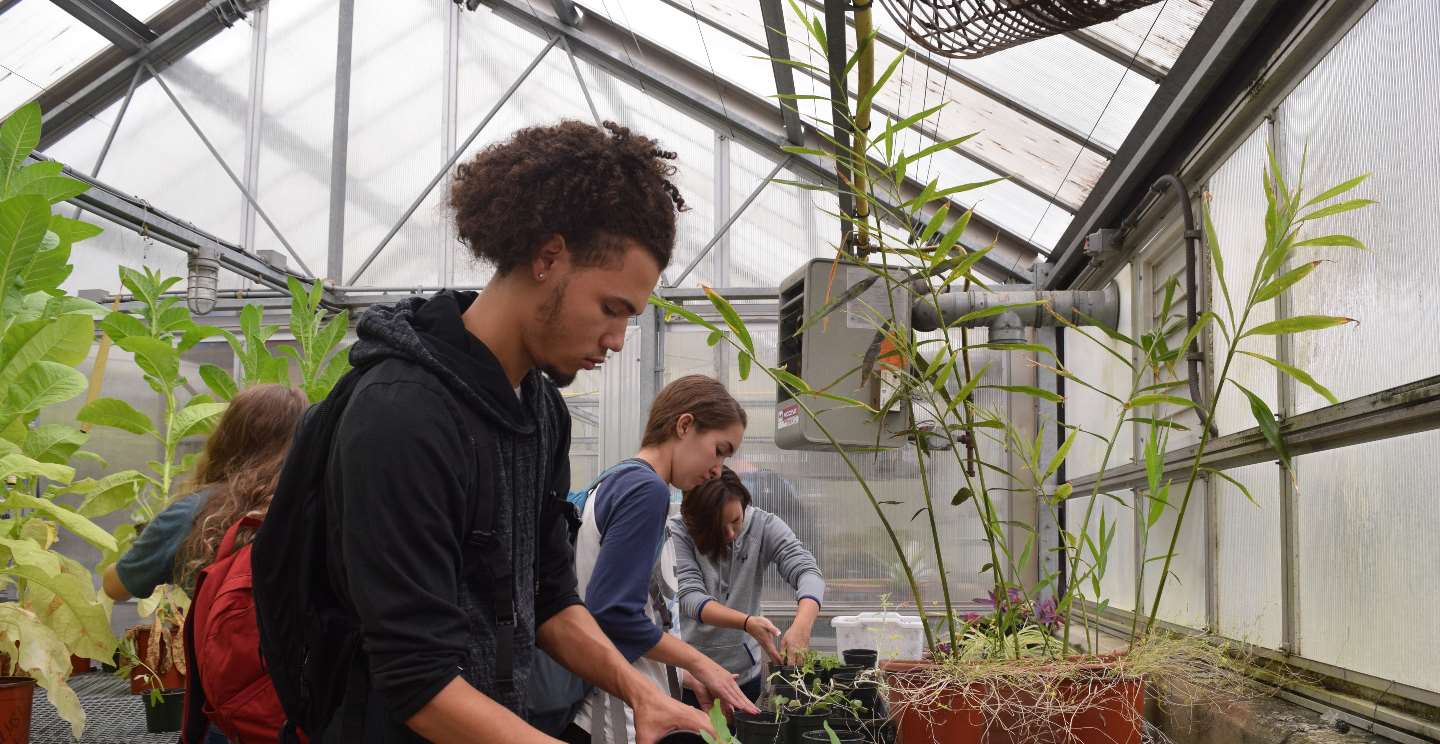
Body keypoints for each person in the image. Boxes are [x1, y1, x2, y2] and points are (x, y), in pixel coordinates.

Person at [268, 120, 711, 744]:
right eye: (611, 309)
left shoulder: (539, 412)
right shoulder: (402, 415)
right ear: (548, 256)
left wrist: (641, 690)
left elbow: (550, 596)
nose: (616, 341)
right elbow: (418, 681)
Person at [569, 375, 758, 744]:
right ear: (684, 425)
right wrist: (700, 662)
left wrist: (683, 675)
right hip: (615, 722)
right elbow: (613, 613)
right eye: (719, 450)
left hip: (606, 710)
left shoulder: (615, 480)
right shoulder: (646, 490)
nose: (718, 469)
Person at [102, 384, 308, 602]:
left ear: (227, 437)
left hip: (226, 635)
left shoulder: (194, 513)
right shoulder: (317, 505)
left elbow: (116, 586)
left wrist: (150, 541)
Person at [670, 466, 825, 710]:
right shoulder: (677, 533)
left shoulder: (764, 526)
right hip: (690, 678)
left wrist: (802, 627)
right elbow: (690, 597)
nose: (731, 534)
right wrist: (747, 622)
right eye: (719, 528)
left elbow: (807, 571)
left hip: (744, 677)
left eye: (736, 521)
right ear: (696, 522)